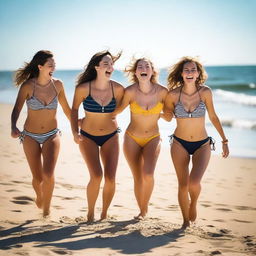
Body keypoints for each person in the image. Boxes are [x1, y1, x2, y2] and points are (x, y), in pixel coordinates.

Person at [164, 56, 229, 229]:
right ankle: (185, 221)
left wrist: (224, 140)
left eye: (193, 70)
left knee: (194, 183)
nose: (190, 73)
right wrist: (154, 109)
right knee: (182, 184)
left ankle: (194, 203)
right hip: (179, 143)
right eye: (187, 70)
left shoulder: (205, 92)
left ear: (198, 73)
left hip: (202, 144)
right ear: (181, 74)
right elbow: (168, 118)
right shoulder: (173, 95)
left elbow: (213, 116)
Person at [11, 50, 71, 217]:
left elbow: (66, 108)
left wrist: (77, 123)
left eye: (54, 65)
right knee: (38, 179)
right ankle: (39, 195)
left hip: (52, 134)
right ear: (40, 67)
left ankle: (46, 210)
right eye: (50, 65)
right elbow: (17, 108)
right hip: (30, 135)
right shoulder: (28, 86)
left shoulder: (57, 84)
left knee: (48, 174)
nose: (53, 67)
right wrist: (13, 126)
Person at [71, 50, 124, 222]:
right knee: (96, 176)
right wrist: (74, 131)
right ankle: (90, 213)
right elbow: (74, 110)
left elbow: (134, 103)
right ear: (97, 67)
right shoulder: (83, 88)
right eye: (106, 64)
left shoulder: (118, 89)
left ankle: (104, 214)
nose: (110, 67)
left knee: (110, 178)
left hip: (111, 136)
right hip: (88, 136)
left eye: (111, 64)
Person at [114, 57, 168, 219]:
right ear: (135, 72)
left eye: (147, 66)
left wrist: (158, 114)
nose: (143, 69)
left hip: (153, 137)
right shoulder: (130, 91)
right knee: (138, 177)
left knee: (148, 174)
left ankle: (145, 208)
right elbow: (116, 111)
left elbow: (170, 115)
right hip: (132, 138)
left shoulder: (162, 91)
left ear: (152, 71)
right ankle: (142, 211)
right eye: (139, 67)